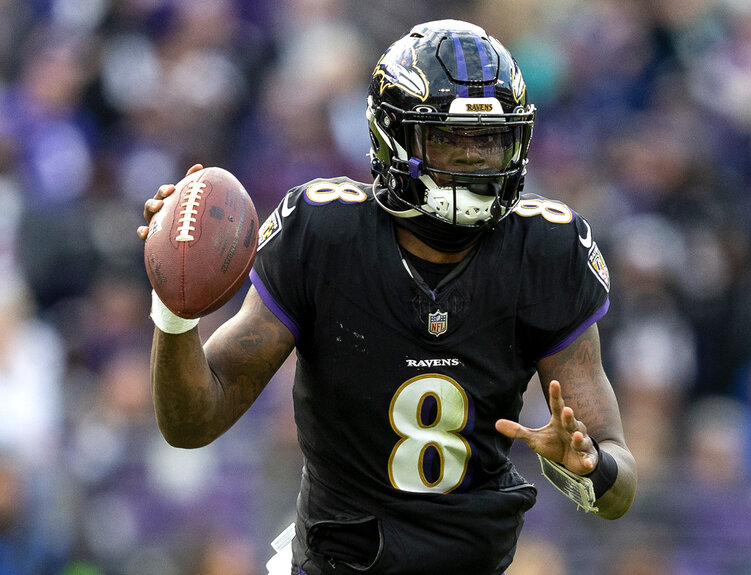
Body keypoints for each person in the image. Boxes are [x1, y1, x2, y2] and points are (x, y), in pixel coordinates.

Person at [137, 19, 636, 575]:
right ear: (392, 138)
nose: (475, 160)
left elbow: (619, 481)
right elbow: (192, 421)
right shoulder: (325, 234)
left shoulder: (545, 248)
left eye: (489, 139)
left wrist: (591, 470)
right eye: (449, 138)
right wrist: (174, 309)